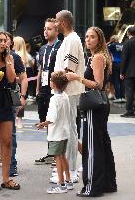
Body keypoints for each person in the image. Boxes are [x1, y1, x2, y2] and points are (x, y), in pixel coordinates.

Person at [66, 27, 117, 197]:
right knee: (102, 144)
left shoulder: (97, 57)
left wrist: (77, 78)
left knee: (92, 146)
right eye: (86, 37)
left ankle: (92, 187)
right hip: (100, 105)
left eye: (92, 37)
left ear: (99, 40)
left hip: (94, 106)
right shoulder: (98, 57)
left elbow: (98, 85)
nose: (88, 40)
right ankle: (108, 183)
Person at [54, 10, 85, 183]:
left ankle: (71, 170)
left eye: (57, 21)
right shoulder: (69, 39)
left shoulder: (72, 39)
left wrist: (58, 88)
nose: (55, 24)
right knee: (67, 129)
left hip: (69, 91)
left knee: (70, 130)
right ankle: (67, 169)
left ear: (63, 22)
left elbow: (68, 70)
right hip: (66, 91)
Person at [36, 71, 73, 194]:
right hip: (64, 132)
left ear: (54, 84)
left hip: (56, 133)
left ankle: (61, 184)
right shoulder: (65, 96)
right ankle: (68, 181)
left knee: (57, 158)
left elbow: (52, 119)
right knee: (63, 156)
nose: (50, 82)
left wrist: (42, 124)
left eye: (51, 81)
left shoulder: (54, 99)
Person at [35, 18, 61, 165]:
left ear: (57, 31)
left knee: (55, 121)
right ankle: (51, 153)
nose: (46, 31)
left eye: (49, 28)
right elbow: (40, 70)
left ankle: (58, 155)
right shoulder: (43, 48)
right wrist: (38, 89)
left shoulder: (60, 47)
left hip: (55, 90)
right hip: (43, 91)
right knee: (45, 121)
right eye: (45, 28)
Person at [0, 31, 20, 190]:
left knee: (7, 142)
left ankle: (6, 179)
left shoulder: (10, 58)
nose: (2, 43)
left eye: (4, 40)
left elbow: (12, 79)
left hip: (5, 101)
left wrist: (8, 62)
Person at [5, 32, 28, 177]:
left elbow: (24, 78)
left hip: (11, 96)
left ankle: (11, 165)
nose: (3, 43)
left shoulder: (15, 57)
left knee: (10, 132)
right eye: (0, 40)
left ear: (11, 43)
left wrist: (23, 97)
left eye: (5, 40)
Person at [13, 36, 28, 129]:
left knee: (16, 100)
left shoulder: (16, 55)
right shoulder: (25, 55)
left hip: (17, 80)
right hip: (22, 79)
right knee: (20, 100)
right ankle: (19, 120)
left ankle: (16, 119)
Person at [120, 26, 135, 117]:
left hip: (130, 72)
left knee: (129, 91)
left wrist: (122, 72)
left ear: (128, 33)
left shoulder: (127, 43)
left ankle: (129, 110)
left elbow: (124, 58)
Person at [107, 35, 125, 103]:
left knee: (116, 80)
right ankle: (122, 97)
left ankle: (117, 97)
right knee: (122, 80)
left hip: (115, 64)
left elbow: (105, 47)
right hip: (123, 64)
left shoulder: (112, 45)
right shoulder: (123, 45)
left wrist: (109, 42)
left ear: (112, 39)